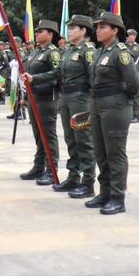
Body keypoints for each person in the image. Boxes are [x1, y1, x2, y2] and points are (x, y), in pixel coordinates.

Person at [85, 12, 139, 215]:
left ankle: (118, 197)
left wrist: (124, 102)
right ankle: (105, 192)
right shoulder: (100, 52)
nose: (98, 30)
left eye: (103, 27)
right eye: (97, 27)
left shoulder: (120, 52)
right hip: (98, 106)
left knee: (115, 153)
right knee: (100, 152)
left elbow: (133, 82)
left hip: (115, 107)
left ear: (115, 30)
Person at [55, 15, 96, 198]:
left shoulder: (88, 50)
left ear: (83, 30)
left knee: (83, 140)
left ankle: (88, 182)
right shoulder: (69, 50)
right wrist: (34, 78)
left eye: (73, 28)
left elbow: (93, 76)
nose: (69, 31)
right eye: (69, 28)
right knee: (71, 139)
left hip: (81, 98)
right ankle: (73, 176)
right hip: (66, 97)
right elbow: (57, 72)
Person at [19, 20, 61, 186]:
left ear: (50, 34)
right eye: (36, 31)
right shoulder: (36, 52)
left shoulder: (53, 53)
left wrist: (36, 80)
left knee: (48, 135)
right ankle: (39, 166)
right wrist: (25, 97)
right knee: (38, 135)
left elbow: (57, 73)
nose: (36, 34)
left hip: (46, 98)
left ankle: (51, 170)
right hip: (34, 98)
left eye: (40, 31)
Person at [125, 29, 139, 123]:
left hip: (135, 74)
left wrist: (125, 49)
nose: (130, 37)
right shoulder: (124, 46)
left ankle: (136, 115)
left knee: (136, 96)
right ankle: (129, 114)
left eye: (132, 35)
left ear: (135, 37)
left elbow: (132, 55)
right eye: (128, 35)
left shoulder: (136, 46)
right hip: (126, 74)